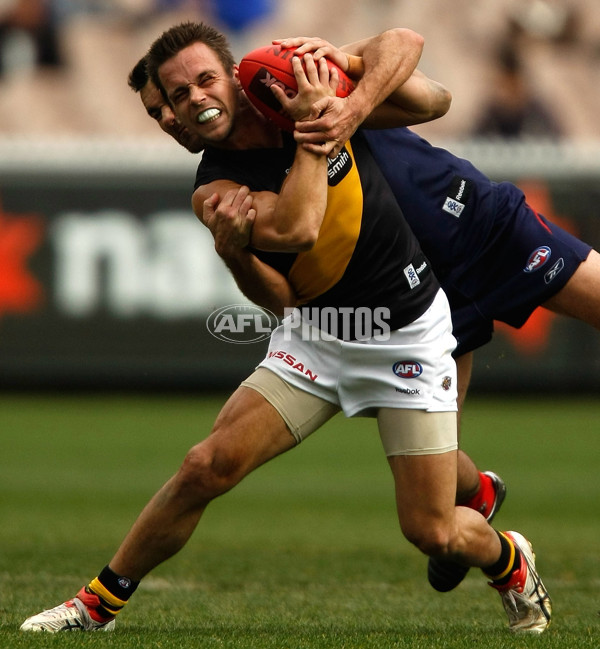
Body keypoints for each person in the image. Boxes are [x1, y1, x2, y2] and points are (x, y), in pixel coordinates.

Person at [20, 22, 551, 635]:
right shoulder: (214, 189)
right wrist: (238, 250)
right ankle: (96, 606)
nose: (193, 99)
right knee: (204, 466)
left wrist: (343, 93)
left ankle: (509, 559)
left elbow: (414, 60)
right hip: (318, 334)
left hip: (405, 332)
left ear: (233, 78)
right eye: (177, 94)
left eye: (203, 80)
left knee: (430, 529)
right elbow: (287, 278)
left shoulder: (289, 86)